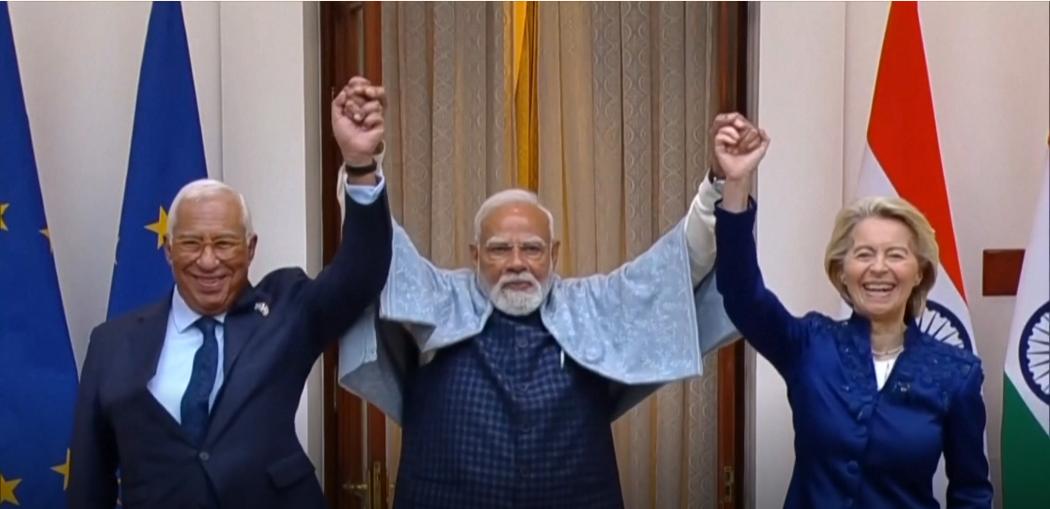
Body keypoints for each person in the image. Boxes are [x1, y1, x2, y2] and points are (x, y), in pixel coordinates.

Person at [335, 94, 746, 508]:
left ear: (554, 254)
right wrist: (361, 163)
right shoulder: (438, 298)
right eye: (499, 249)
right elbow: (376, 248)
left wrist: (718, 181)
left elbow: (678, 264)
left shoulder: (591, 306)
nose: (517, 263)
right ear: (475, 255)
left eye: (532, 248)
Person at [68, 77, 393, 509]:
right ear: (168, 251)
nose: (208, 261)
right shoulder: (111, 344)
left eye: (224, 244)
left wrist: (359, 165)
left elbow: (360, 273)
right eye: (191, 243)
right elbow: (89, 482)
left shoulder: (286, 310)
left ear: (250, 249)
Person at [711, 112, 993, 508]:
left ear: (919, 272)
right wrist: (736, 183)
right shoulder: (808, 345)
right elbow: (742, 294)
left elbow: (971, 492)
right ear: (841, 271)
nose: (879, 268)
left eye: (895, 255)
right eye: (864, 254)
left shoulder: (956, 373)